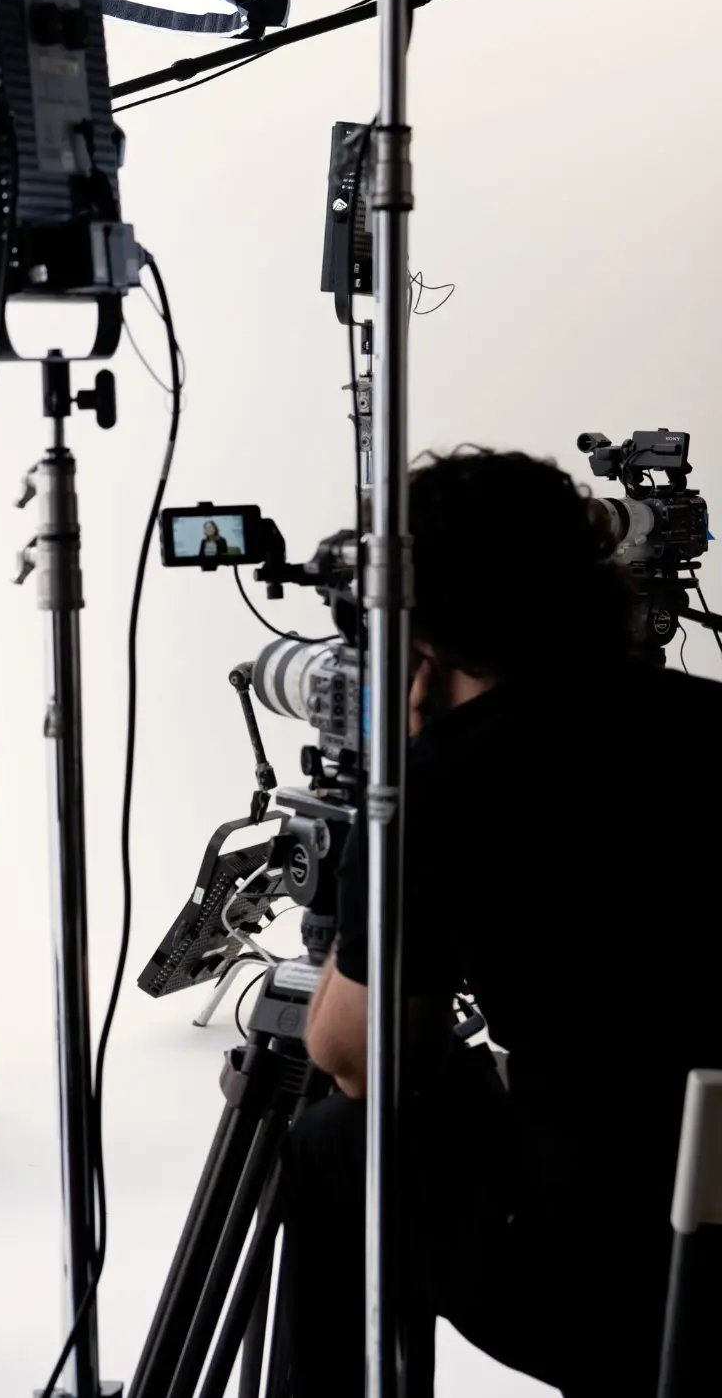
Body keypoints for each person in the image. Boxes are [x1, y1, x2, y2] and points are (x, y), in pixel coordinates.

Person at [277, 448, 722, 1396]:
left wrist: (390, 814)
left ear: (418, 638)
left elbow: (357, 1056)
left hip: (622, 1285)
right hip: (704, 1220)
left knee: (336, 1136)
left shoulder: (439, 786)